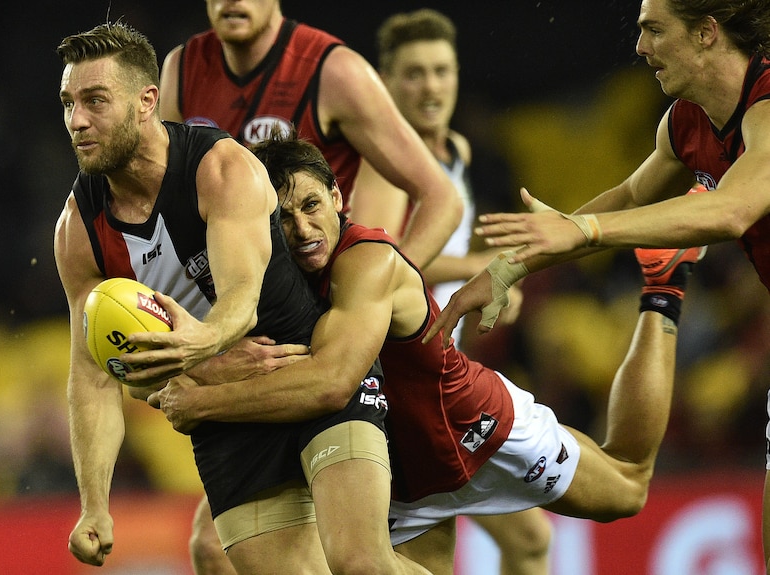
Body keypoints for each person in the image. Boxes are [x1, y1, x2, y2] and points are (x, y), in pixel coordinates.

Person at [144, 131, 703, 575]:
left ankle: (663, 285)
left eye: (313, 205)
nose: (302, 228)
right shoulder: (270, 279)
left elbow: (332, 381)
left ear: (338, 197)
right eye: (284, 218)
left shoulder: (368, 261)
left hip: (474, 428)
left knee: (627, 488)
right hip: (401, 472)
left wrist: (204, 403)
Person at [54, 21, 429, 575]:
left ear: (146, 102)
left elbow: (241, 299)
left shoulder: (220, 168)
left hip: (303, 370)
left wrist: (199, 347)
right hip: (223, 423)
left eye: (95, 100)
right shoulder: (77, 230)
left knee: (362, 566)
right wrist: (95, 504)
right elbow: (91, 375)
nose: (76, 120)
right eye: (67, 103)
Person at [420, 2, 770, 570]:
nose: (639, 47)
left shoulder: (768, 101)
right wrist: (513, 266)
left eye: (654, 29)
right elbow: (632, 197)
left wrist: (585, 228)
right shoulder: (686, 120)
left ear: (707, 34)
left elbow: (733, 211)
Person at [349, 8, 551, 574]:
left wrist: (489, 285)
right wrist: (487, 267)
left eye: (442, 70)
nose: (431, 86)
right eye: (413, 73)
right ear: (385, 83)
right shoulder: (389, 166)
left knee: (527, 540)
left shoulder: (455, 153)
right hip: (394, 388)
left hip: (434, 378)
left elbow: (429, 268)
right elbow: (376, 261)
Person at [158, 0, 463, 270]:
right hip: (221, 290)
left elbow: (442, 198)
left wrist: (387, 289)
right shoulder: (181, 66)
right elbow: (160, 202)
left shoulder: (334, 70)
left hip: (312, 299)